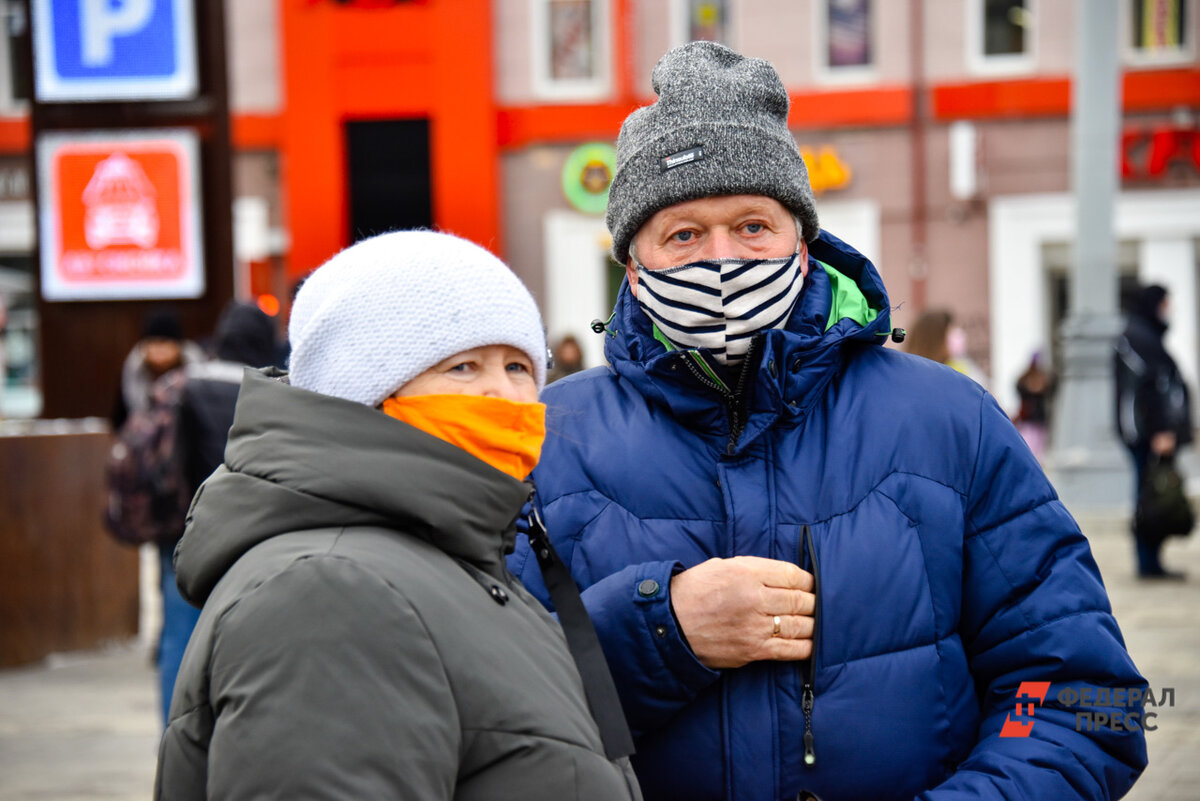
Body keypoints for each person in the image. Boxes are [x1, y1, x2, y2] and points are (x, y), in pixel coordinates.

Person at [508, 42, 1147, 801]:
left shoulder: (949, 421)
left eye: (753, 225)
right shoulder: (543, 442)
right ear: (634, 264)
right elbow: (491, 718)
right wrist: (661, 632)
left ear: (802, 244)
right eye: (683, 234)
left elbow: (1082, 699)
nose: (722, 261)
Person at [156, 231, 640, 800]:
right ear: (363, 388)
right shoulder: (331, 591)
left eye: (517, 366)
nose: (503, 395)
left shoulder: (458, 562)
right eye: (462, 367)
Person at [148, 300, 279, 727]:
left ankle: (174, 733)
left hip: (183, 527)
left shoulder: (184, 383)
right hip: (250, 529)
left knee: (178, 635)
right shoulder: (271, 391)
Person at [1115, 284, 1192, 579]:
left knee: (1155, 494)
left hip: (1151, 433)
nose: (1168, 310)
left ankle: (1153, 561)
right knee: (1150, 497)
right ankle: (1148, 562)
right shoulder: (1137, 337)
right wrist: (1161, 429)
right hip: (1147, 434)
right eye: (1165, 303)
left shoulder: (1144, 335)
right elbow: (1150, 388)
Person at [112, 308, 205, 430]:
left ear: (179, 346)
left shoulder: (197, 370)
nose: (159, 349)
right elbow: (120, 421)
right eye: (153, 342)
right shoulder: (134, 372)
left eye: (165, 342)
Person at [1014, 350, 1054, 462]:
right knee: (1028, 445)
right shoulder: (1024, 381)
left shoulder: (1044, 379)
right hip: (1028, 419)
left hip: (1039, 419)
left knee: (1039, 448)